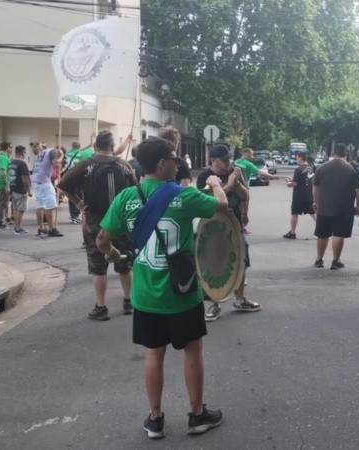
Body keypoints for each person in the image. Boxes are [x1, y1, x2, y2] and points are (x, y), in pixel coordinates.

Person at [97, 137, 227, 439]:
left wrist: (115, 256)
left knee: (154, 355)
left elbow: (103, 239)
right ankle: (197, 415)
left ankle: (155, 420)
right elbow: (220, 206)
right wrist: (218, 184)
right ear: (162, 163)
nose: (178, 161)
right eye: (174, 157)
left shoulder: (126, 198)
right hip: (182, 292)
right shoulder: (184, 196)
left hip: (145, 295)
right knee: (193, 351)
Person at [58, 131, 138, 321]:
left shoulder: (86, 164)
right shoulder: (124, 165)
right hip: (121, 223)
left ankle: (101, 307)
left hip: (95, 222)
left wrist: (78, 203)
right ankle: (129, 302)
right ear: (112, 146)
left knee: (98, 267)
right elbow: (135, 190)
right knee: (125, 265)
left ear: (95, 146)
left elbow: (62, 184)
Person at [196, 144, 259, 321]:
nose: (229, 162)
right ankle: (215, 303)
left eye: (230, 159)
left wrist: (237, 182)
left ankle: (239, 299)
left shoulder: (235, 171)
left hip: (235, 224)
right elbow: (214, 200)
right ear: (214, 160)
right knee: (215, 265)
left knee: (242, 260)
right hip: (215, 228)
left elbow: (245, 196)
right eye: (225, 160)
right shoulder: (205, 177)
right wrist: (229, 183)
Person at [312, 143, 359, 269]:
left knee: (322, 234)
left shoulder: (322, 167)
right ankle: (335, 261)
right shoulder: (351, 169)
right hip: (344, 208)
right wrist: (358, 206)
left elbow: (315, 186)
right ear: (346, 154)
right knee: (339, 234)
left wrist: (315, 201)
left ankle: (319, 259)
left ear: (333, 153)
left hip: (324, 206)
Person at [31, 142, 64, 237]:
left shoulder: (38, 156)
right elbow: (56, 163)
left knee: (40, 206)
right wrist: (62, 156)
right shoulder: (52, 152)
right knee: (50, 206)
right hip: (45, 182)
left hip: (36, 182)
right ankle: (52, 229)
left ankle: (41, 228)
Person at [63, 134, 95, 224]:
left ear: (72, 146)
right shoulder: (83, 153)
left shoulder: (68, 153)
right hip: (79, 177)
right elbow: (88, 152)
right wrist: (91, 143)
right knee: (79, 195)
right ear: (79, 146)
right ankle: (76, 214)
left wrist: (90, 143)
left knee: (71, 196)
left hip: (69, 176)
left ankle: (73, 215)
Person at [283, 152, 316, 239]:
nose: (296, 159)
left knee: (294, 214)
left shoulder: (298, 169)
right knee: (313, 213)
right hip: (309, 195)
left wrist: (288, 182)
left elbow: (294, 184)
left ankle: (292, 233)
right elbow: (305, 180)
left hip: (299, 196)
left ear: (300, 158)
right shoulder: (310, 168)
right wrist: (293, 180)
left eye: (297, 158)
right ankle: (324, 230)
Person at [8, 145, 32, 235]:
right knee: (20, 209)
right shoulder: (22, 163)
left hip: (13, 187)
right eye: (25, 152)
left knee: (15, 208)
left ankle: (16, 226)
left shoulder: (12, 162)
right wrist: (29, 190)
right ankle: (18, 228)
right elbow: (25, 178)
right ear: (23, 152)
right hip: (21, 189)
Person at [0, 141, 12, 229]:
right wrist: (6, 185)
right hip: (2, 182)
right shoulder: (3, 158)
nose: (11, 149)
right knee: (3, 203)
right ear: (7, 148)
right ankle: (1, 222)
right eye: (11, 147)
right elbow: (3, 172)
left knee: (0, 202)